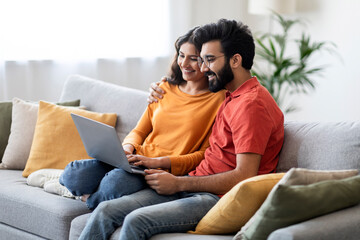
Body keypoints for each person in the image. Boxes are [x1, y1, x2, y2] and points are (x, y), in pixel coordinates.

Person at [78, 19, 284, 240]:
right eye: (202, 60)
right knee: (105, 210)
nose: (203, 69)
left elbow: (244, 175)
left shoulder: (251, 105)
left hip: (214, 197)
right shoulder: (231, 95)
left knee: (136, 221)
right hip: (193, 184)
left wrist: (179, 182)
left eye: (210, 60)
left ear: (236, 60)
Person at [59, 27, 225, 210]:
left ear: (207, 62)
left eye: (193, 59)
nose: (184, 63)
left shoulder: (219, 100)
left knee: (113, 184)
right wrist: (126, 149)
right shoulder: (164, 88)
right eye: (181, 55)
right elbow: (139, 130)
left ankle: (90, 199)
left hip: (160, 170)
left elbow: (203, 155)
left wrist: (158, 162)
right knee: (73, 174)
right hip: (136, 159)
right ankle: (99, 193)